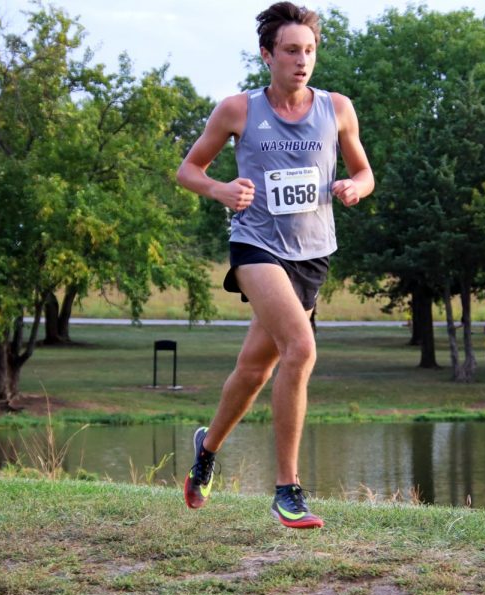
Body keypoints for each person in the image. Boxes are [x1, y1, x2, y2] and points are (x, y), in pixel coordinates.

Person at [176, 1, 374, 529]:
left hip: (312, 255)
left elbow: (364, 171)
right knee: (301, 347)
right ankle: (288, 490)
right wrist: (220, 188)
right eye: (290, 50)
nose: (301, 60)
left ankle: (206, 448)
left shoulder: (338, 109)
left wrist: (355, 186)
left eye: (308, 50)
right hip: (257, 246)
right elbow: (188, 169)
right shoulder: (238, 110)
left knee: (255, 368)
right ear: (267, 55)